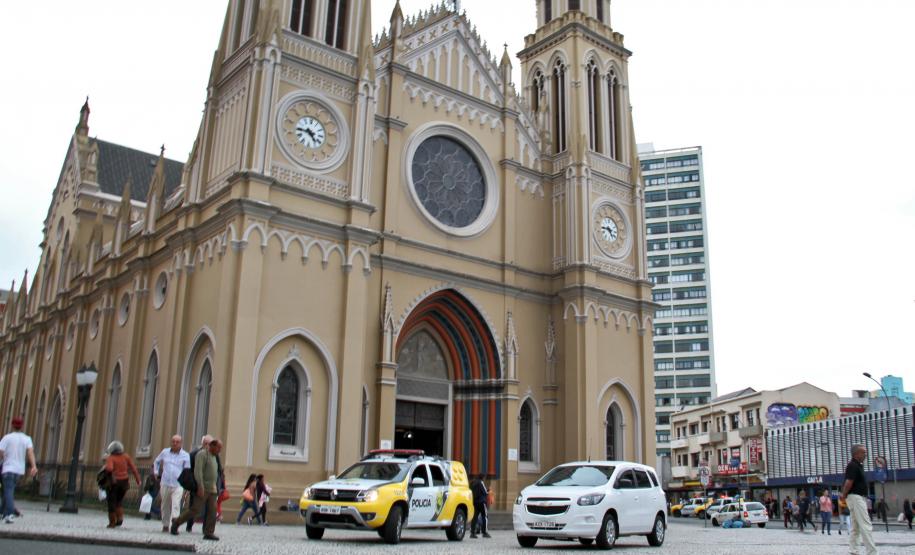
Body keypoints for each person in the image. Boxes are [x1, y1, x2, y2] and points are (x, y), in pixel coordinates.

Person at [171, 438, 222, 541]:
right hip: (203, 488)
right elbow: (198, 471)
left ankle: (209, 532)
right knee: (195, 510)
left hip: (212, 489)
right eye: (218, 447)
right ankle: (176, 522)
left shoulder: (215, 457)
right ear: (212, 446)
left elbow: (217, 472)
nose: (220, 450)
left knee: (212, 511)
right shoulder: (202, 455)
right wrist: (200, 486)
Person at [840, 444, 877, 555]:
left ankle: (853, 550)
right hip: (856, 497)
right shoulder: (853, 465)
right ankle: (872, 552)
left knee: (855, 526)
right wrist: (844, 494)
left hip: (855, 497)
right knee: (865, 525)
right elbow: (849, 482)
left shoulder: (858, 465)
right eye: (863, 452)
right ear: (856, 454)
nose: (865, 454)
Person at [0, 417, 38, 524]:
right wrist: (33, 466)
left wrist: (4, 457)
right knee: (8, 490)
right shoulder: (27, 439)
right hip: (19, 470)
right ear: (21, 426)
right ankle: (2, 512)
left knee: (8, 491)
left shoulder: (7, 438)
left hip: (8, 468)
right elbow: (30, 453)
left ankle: (10, 513)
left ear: (12, 425)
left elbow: (1, 452)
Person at [153, 435, 190, 533]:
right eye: (173, 441)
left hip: (178, 484)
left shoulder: (185, 455)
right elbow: (156, 461)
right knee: (165, 504)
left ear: (181, 443)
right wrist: (156, 472)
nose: (175, 443)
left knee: (176, 504)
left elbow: (187, 470)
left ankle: (175, 524)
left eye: (177, 442)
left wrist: (186, 484)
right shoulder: (165, 452)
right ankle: (165, 525)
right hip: (165, 482)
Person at [185, 435, 222, 532]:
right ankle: (184, 524)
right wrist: (194, 485)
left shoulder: (215, 455)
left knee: (211, 510)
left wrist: (218, 486)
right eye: (208, 444)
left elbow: (219, 470)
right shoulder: (195, 454)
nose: (210, 446)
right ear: (204, 444)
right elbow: (192, 470)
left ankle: (207, 530)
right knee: (194, 508)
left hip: (211, 488)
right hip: (198, 486)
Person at [103, 441, 141, 528]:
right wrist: (138, 480)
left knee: (111, 502)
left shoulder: (111, 458)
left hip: (114, 483)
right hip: (124, 482)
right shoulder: (126, 456)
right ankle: (120, 518)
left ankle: (112, 522)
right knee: (119, 501)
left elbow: (109, 469)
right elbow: (133, 468)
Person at [469, 474, 490, 539]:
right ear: (482, 477)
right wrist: (488, 490)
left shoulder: (472, 483)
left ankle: (472, 533)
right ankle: (484, 532)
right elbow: (485, 492)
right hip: (482, 502)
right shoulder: (481, 482)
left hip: (475, 502)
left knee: (474, 517)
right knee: (485, 516)